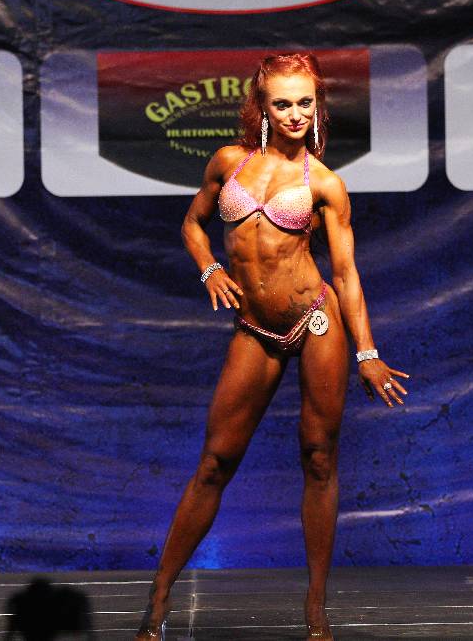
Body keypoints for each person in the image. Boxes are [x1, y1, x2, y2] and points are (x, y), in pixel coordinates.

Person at [135, 53, 410, 641]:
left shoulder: (325, 184)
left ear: (318, 106)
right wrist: (209, 267)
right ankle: (158, 594)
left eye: (305, 102)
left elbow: (346, 274)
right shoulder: (228, 162)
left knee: (319, 458)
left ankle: (316, 606)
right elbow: (192, 224)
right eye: (283, 103)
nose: (295, 114)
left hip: (316, 320)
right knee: (215, 461)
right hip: (255, 329)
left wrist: (367, 352)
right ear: (261, 106)